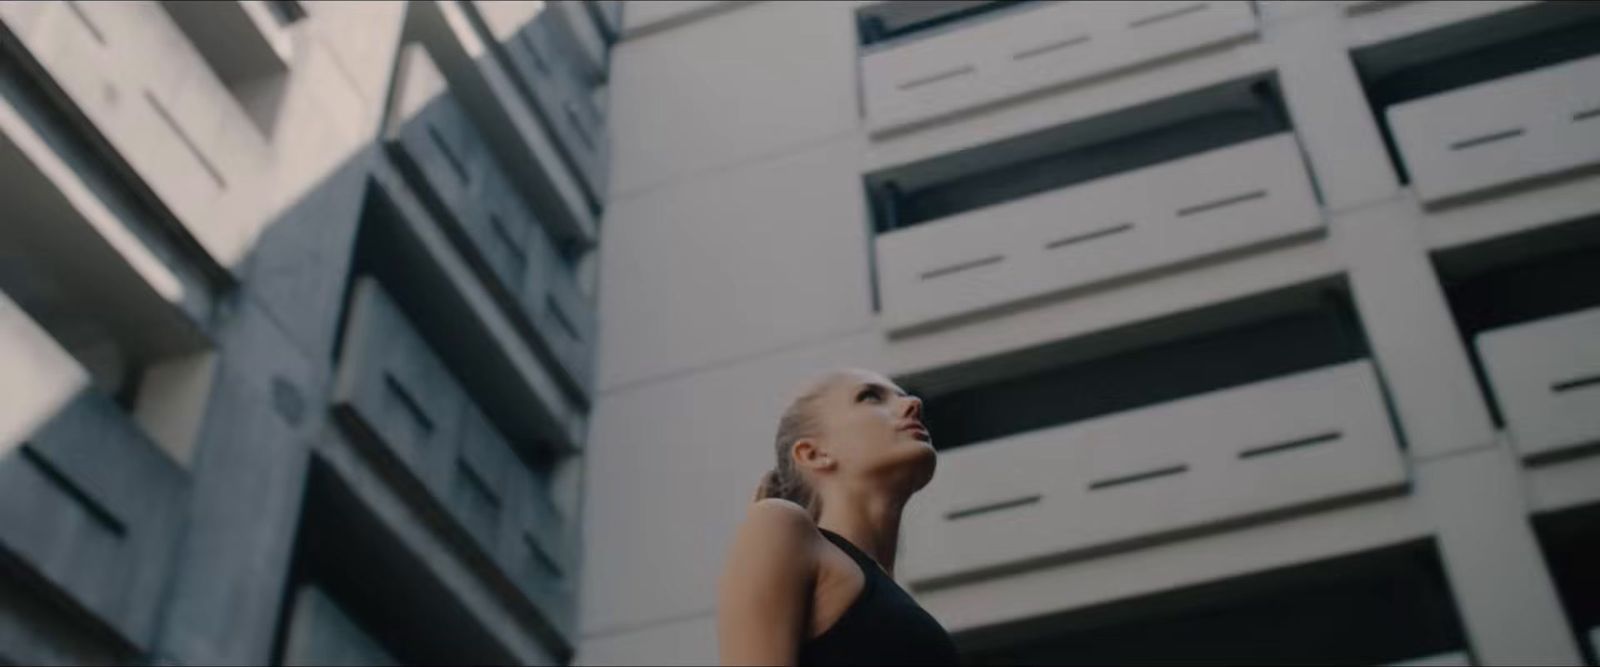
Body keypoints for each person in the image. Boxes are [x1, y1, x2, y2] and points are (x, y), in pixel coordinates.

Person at [717, 369, 961, 666]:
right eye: (870, 397)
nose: (913, 404)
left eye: (903, 395)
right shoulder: (779, 524)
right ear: (813, 454)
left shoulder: (897, 602)